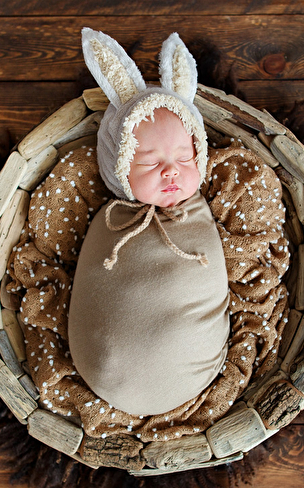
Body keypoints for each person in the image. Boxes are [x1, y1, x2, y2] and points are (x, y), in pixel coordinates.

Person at [67, 29, 231, 416]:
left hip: (190, 374)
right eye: (149, 161)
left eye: (184, 158)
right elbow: (94, 282)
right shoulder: (110, 220)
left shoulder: (204, 212)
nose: (171, 171)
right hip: (101, 371)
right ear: (118, 165)